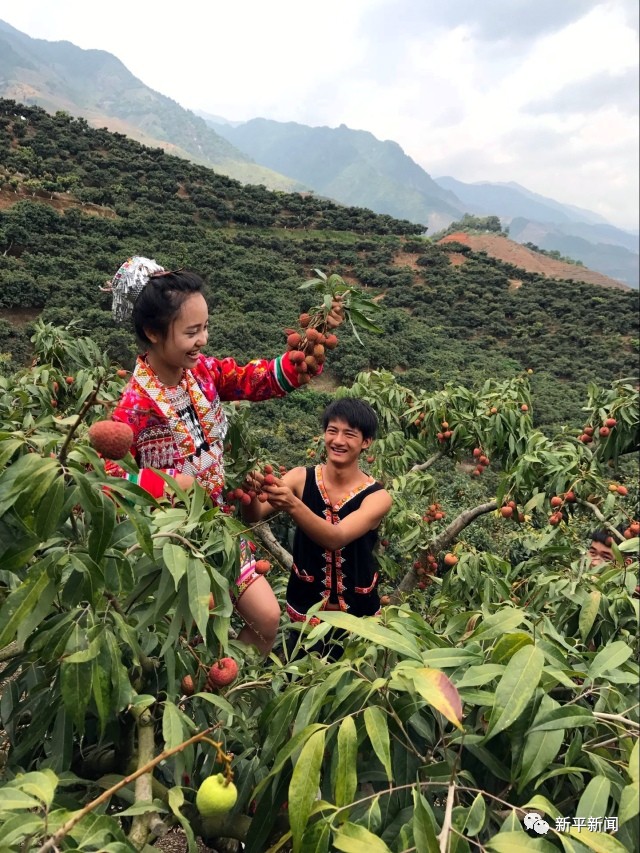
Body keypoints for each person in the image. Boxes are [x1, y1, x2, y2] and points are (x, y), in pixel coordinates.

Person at [102, 256, 343, 655]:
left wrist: (314, 335)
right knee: (185, 641)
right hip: (172, 541)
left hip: (220, 528)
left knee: (266, 618)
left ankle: (233, 698)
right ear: (153, 332)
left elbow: (260, 378)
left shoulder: (204, 372)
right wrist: (160, 484)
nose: (203, 340)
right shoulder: (135, 404)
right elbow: (105, 479)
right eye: (192, 331)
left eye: (206, 328)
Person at [242, 398, 392, 657]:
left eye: (349, 434)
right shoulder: (300, 477)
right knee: (298, 685)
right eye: (332, 431)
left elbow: (336, 538)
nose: (338, 440)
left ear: (366, 442)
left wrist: (292, 504)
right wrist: (250, 490)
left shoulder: (377, 497)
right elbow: (254, 515)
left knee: (349, 689)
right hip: (304, 615)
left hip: (358, 618)